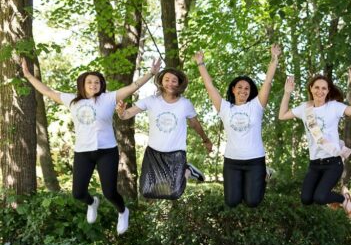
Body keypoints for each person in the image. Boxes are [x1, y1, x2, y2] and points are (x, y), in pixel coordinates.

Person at [20, 57, 161, 234]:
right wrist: (28, 75)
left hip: (107, 151)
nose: (94, 85)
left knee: (110, 193)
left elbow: (133, 87)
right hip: (83, 153)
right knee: (78, 194)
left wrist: (151, 73)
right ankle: (92, 203)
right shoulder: (72, 100)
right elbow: (47, 91)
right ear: (82, 84)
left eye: (97, 82)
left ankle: (123, 211)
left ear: (101, 85)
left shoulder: (109, 98)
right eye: (89, 82)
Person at [195, 44, 280, 208]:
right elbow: (210, 87)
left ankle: (264, 173)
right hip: (232, 161)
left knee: (253, 201)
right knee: (232, 201)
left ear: (250, 92)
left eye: (247, 88)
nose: (243, 90)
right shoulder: (225, 107)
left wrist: (274, 59)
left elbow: (268, 82)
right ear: (233, 90)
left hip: (255, 160)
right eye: (240, 87)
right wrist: (200, 64)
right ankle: (252, 181)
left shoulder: (256, 106)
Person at [278, 69, 351, 219]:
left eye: (324, 88)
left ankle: (344, 199)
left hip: (333, 163)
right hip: (315, 164)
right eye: (316, 87)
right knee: (306, 199)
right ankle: (330, 197)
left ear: (328, 90)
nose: (320, 91)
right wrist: (287, 93)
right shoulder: (305, 109)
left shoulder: (334, 107)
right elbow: (282, 115)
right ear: (311, 88)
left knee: (320, 197)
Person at [117, 67, 212, 200]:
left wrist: (205, 139)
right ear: (161, 81)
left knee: (175, 193)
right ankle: (186, 171)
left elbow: (194, 124)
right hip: (153, 153)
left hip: (176, 153)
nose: (170, 83)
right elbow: (126, 115)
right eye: (167, 80)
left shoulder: (185, 104)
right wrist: (121, 112)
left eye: (174, 81)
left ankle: (188, 170)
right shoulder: (151, 100)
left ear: (179, 84)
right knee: (146, 190)